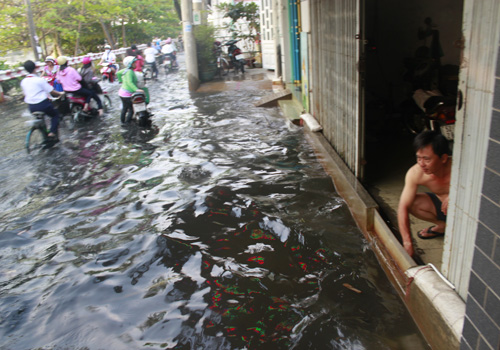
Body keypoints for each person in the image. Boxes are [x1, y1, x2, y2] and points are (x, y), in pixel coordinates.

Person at [397, 130, 452, 256]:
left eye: (426, 159)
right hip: (442, 209)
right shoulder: (415, 173)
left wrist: (456, 195)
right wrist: (407, 242)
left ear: (443, 158)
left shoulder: (459, 168)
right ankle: (442, 225)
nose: (421, 164)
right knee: (412, 203)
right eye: (418, 158)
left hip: (463, 212)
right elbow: (402, 207)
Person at [20, 60, 65, 138]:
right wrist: (60, 93)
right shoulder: (39, 80)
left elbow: (25, 94)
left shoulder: (23, 81)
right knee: (55, 115)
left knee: (40, 121)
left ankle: (45, 137)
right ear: (35, 68)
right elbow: (51, 91)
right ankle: (52, 132)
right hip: (43, 105)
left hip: (31, 107)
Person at [117, 56, 145, 125]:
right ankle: (127, 123)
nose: (136, 64)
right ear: (130, 64)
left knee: (125, 108)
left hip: (122, 92)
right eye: (134, 63)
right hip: (127, 94)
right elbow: (130, 83)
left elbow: (118, 73)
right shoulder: (130, 72)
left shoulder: (125, 70)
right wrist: (137, 90)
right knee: (131, 110)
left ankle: (122, 121)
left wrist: (121, 81)